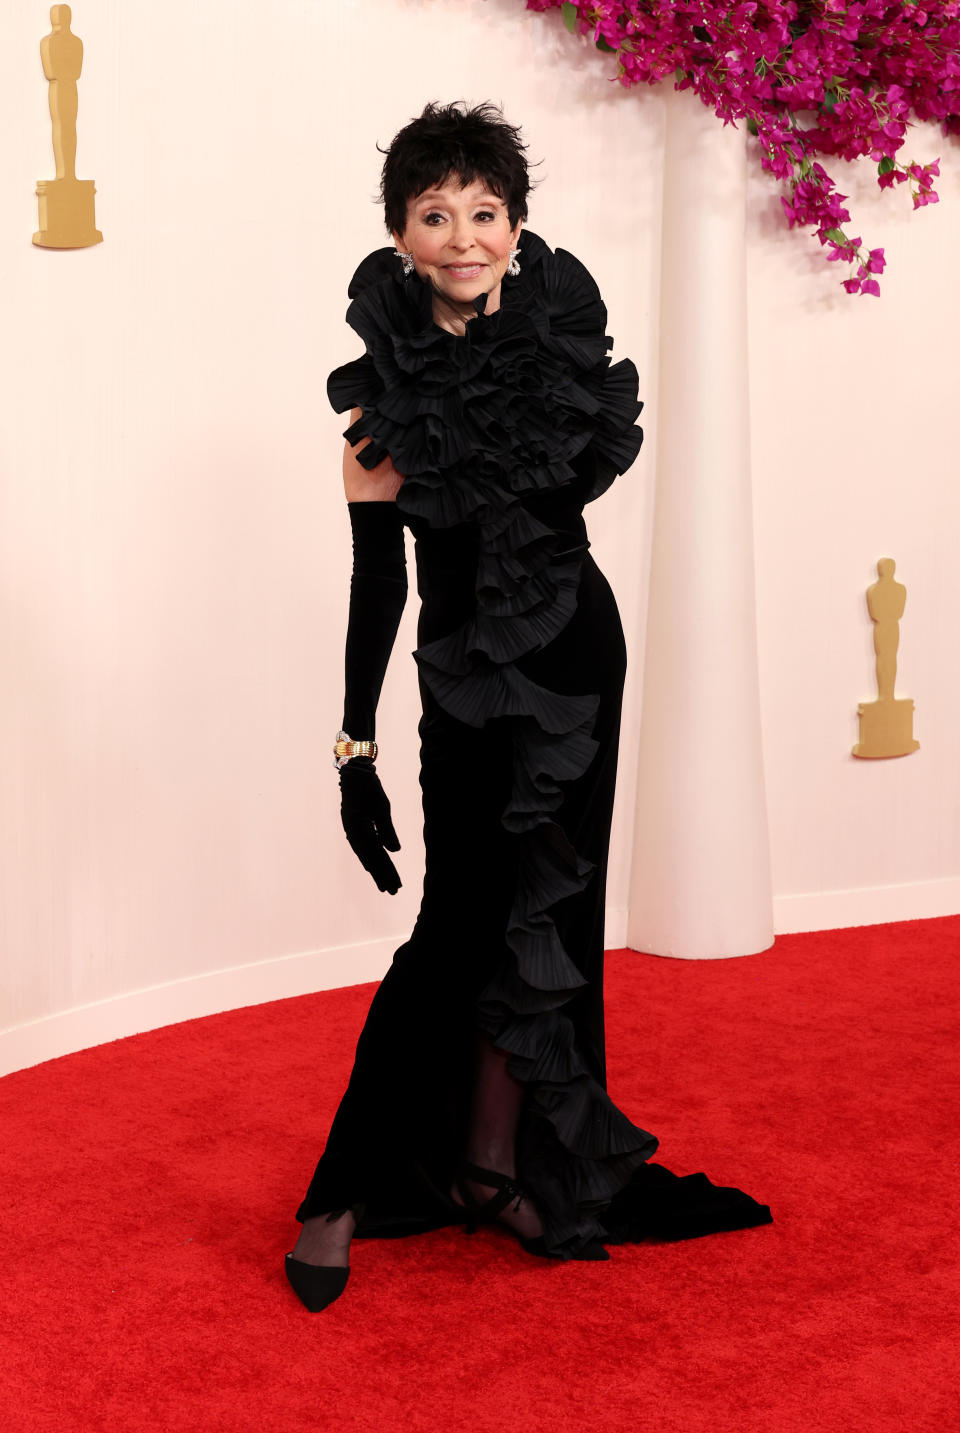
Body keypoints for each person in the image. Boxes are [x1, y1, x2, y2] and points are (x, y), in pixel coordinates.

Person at [285, 101, 772, 1312]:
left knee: (544, 921)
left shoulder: (564, 357)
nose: (464, 235)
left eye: (485, 212)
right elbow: (375, 587)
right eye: (435, 213)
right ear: (399, 233)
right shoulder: (376, 411)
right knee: (453, 931)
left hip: (574, 665)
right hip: (462, 679)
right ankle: (339, 1191)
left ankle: (495, 1165)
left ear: (516, 225)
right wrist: (355, 747)